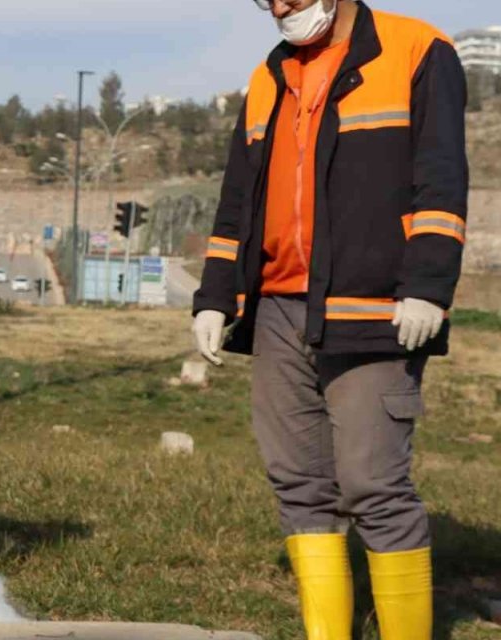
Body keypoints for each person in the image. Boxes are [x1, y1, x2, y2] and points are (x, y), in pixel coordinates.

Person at [192, 1, 467, 638]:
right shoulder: (269, 76)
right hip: (279, 313)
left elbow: (442, 177)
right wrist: (214, 297)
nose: (280, 5)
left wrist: (427, 284)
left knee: (374, 484)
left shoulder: (418, 51)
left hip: (375, 311)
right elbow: (237, 201)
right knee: (298, 484)